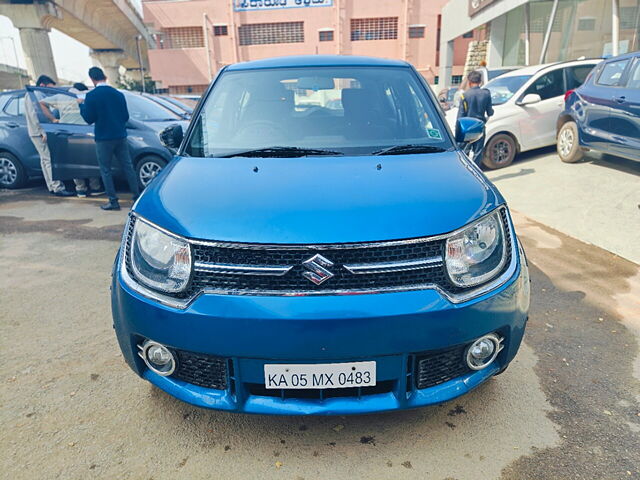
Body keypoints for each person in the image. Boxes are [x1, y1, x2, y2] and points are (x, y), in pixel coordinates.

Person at [79, 67, 140, 211]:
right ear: (105, 76)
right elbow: (125, 117)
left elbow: (88, 119)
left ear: (92, 79)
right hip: (120, 136)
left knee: (105, 170)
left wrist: (81, 105)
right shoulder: (118, 94)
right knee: (128, 167)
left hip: (103, 138)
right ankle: (137, 197)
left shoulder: (91, 96)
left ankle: (113, 201)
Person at [38, 82, 103, 198]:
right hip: (85, 131)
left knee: (74, 160)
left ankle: (80, 189)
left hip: (67, 132)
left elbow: (41, 103)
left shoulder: (61, 96)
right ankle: (95, 187)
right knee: (90, 159)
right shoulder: (85, 96)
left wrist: (53, 119)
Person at [24, 75, 75, 196]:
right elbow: (36, 115)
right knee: (49, 159)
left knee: (44, 159)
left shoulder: (31, 94)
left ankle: (51, 186)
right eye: (49, 88)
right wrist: (44, 131)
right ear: (42, 85)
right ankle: (57, 188)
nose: (48, 92)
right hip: (39, 132)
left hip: (35, 131)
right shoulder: (36, 95)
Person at [457, 70, 494, 166]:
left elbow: (461, 115)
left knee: (465, 152)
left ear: (469, 82)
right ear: (480, 82)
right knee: (478, 152)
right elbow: (490, 112)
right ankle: (477, 173)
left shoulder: (464, 95)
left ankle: (465, 171)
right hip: (479, 126)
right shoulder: (486, 94)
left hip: (467, 128)